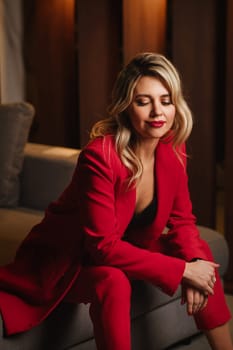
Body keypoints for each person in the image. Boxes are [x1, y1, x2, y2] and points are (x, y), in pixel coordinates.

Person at [0, 52, 232, 350]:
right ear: (125, 107)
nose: (157, 112)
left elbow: (182, 221)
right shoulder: (100, 157)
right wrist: (182, 270)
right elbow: (102, 248)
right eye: (143, 101)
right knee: (114, 281)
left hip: (129, 250)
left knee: (203, 262)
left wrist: (196, 265)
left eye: (166, 100)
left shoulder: (172, 145)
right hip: (71, 260)